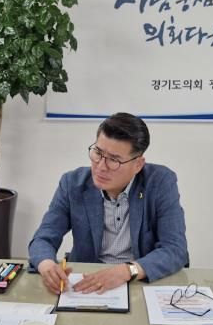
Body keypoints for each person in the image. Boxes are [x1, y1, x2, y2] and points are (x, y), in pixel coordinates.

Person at [28, 112, 188, 294]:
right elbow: (43, 238)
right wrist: (47, 265)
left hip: (139, 282)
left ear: (138, 164)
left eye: (114, 160)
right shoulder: (72, 183)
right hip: (87, 283)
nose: (101, 167)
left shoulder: (160, 182)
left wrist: (127, 271)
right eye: (98, 153)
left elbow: (175, 249)